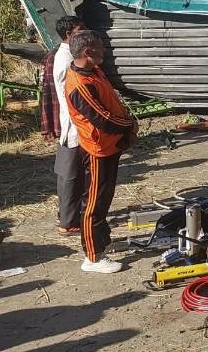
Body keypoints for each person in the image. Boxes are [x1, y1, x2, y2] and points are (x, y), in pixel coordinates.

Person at [65, 31, 137, 274]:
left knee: (104, 198)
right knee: (93, 203)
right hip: (98, 148)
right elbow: (102, 118)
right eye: (100, 47)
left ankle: (102, 242)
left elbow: (111, 101)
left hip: (110, 144)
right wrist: (128, 125)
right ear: (87, 52)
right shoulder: (79, 84)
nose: (104, 51)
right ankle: (92, 257)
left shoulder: (94, 71)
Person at [45, 16, 87, 236]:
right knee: (72, 174)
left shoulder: (64, 55)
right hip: (74, 123)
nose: (84, 34)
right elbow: (72, 94)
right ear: (69, 34)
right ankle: (69, 222)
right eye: (81, 30)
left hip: (70, 121)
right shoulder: (67, 58)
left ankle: (65, 215)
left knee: (65, 172)